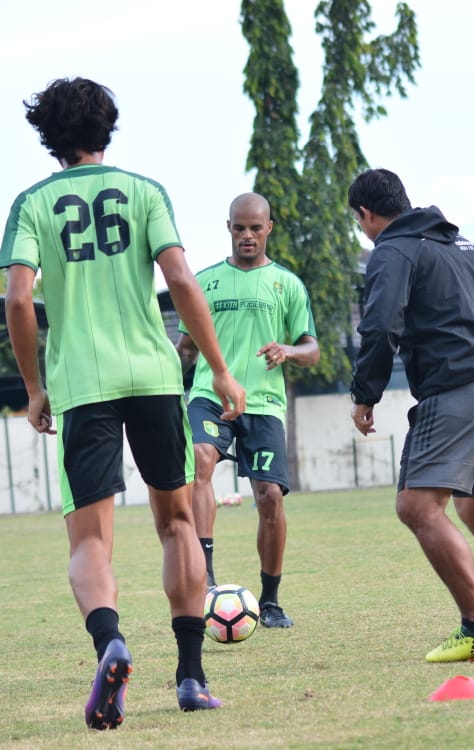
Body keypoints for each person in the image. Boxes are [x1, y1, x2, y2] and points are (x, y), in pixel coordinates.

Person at [0, 76, 246, 729]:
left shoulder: (32, 204)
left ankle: (110, 641)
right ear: (108, 129)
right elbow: (181, 279)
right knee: (178, 524)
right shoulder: (145, 192)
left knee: (91, 541)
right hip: (157, 375)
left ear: (47, 136)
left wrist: (33, 387)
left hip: (84, 384)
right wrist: (219, 369)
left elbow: (19, 299)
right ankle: (191, 678)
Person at [346, 168, 474, 663]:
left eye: (360, 222)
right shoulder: (467, 246)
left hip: (458, 388)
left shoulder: (393, 248)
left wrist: (365, 392)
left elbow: (380, 323)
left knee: (416, 507)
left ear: (366, 215)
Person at [176, 193, 319, 629]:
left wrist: (289, 350)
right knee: (201, 460)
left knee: (270, 497)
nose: (247, 235)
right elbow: (185, 349)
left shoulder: (287, 284)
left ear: (268, 228)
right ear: (229, 228)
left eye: (255, 228)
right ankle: (206, 578)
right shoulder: (204, 282)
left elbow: (312, 350)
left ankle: (271, 601)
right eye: (239, 228)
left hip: (263, 403)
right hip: (210, 395)